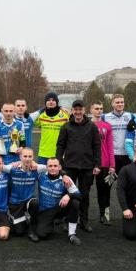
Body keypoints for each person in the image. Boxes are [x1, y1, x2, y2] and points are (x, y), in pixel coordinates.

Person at [55, 100, 100, 233]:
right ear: (72, 111)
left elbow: (97, 146)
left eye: (80, 109)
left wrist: (97, 164)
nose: (78, 112)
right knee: (67, 193)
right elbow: (60, 145)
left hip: (87, 166)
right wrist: (58, 162)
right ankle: (66, 220)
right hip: (69, 166)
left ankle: (84, 221)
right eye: (76, 109)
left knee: (85, 194)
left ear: (84, 110)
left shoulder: (92, 126)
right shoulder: (66, 126)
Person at [28, 157, 83, 245]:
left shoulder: (66, 180)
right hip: (44, 211)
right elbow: (27, 163)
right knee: (42, 234)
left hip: (58, 208)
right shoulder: (41, 175)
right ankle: (47, 222)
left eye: (55, 166)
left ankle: (72, 234)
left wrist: (69, 195)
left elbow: (79, 195)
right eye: (50, 166)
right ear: (46, 167)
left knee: (75, 202)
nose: (52, 168)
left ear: (59, 167)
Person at [6, 147, 46, 237]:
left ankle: (32, 229)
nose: (27, 159)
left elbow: (53, 168)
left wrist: (63, 175)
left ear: (33, 157)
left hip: (28, 200)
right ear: (20, 157)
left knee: (35, 203)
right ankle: (20, 217)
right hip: (15, 203)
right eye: (25, 156)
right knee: (19, 232)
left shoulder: (37, 168)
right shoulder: (12, 168)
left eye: (30, 156)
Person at [89, 101, 115, 225]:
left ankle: (104, 215)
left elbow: (110, 146)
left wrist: (112, 165)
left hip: (104, 163)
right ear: (91, 110)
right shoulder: (86, 125)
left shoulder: (107, 126)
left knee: (104, 191)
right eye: (96, 108)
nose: (99, 110)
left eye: (101, 108)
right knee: (84, 191)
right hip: (88, 163)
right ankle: (82, 217)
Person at [30, 92, 69, 164]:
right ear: (45, 102)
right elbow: (29, 120)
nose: (51, 102)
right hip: (43, 154)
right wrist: (41, 110)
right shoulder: (41, 115)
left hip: (59, 153)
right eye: (48, 100)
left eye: (53, 100)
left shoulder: (64, 115)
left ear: (57, 102)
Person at [103, 94, 135, 175]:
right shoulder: (105, 117)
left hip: (126, 154)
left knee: (126, 179)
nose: (120, 104)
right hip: (112, 154)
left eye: (122, 102)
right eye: (117, 102)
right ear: (112, 104)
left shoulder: (131, 116)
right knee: (110, 179)